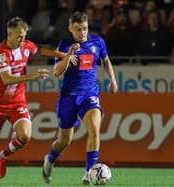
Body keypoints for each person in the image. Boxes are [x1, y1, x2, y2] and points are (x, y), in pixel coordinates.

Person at [0, 17, 67, 185]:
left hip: (17, 103)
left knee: (25, 136)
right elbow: (7, 79)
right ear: (10, 34)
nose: (22, 40)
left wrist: (61, 54)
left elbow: (41, 50)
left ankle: (3, 156)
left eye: (24, 36)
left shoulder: (26, 45)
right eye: (19, 36)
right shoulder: (1, 52)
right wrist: (32, 76)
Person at [42, 11, 118, 185]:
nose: (82, 33)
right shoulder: (64, 44)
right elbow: (56, 72)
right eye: (77, 30)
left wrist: (112, 80)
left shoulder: (97, 42)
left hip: (89, 95)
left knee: (94, 130)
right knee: (64, 140)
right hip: (68, 97)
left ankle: (89, 172)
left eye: (84, 29)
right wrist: (69, 55)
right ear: (70, 29)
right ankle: (50, 159)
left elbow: (105, 60)